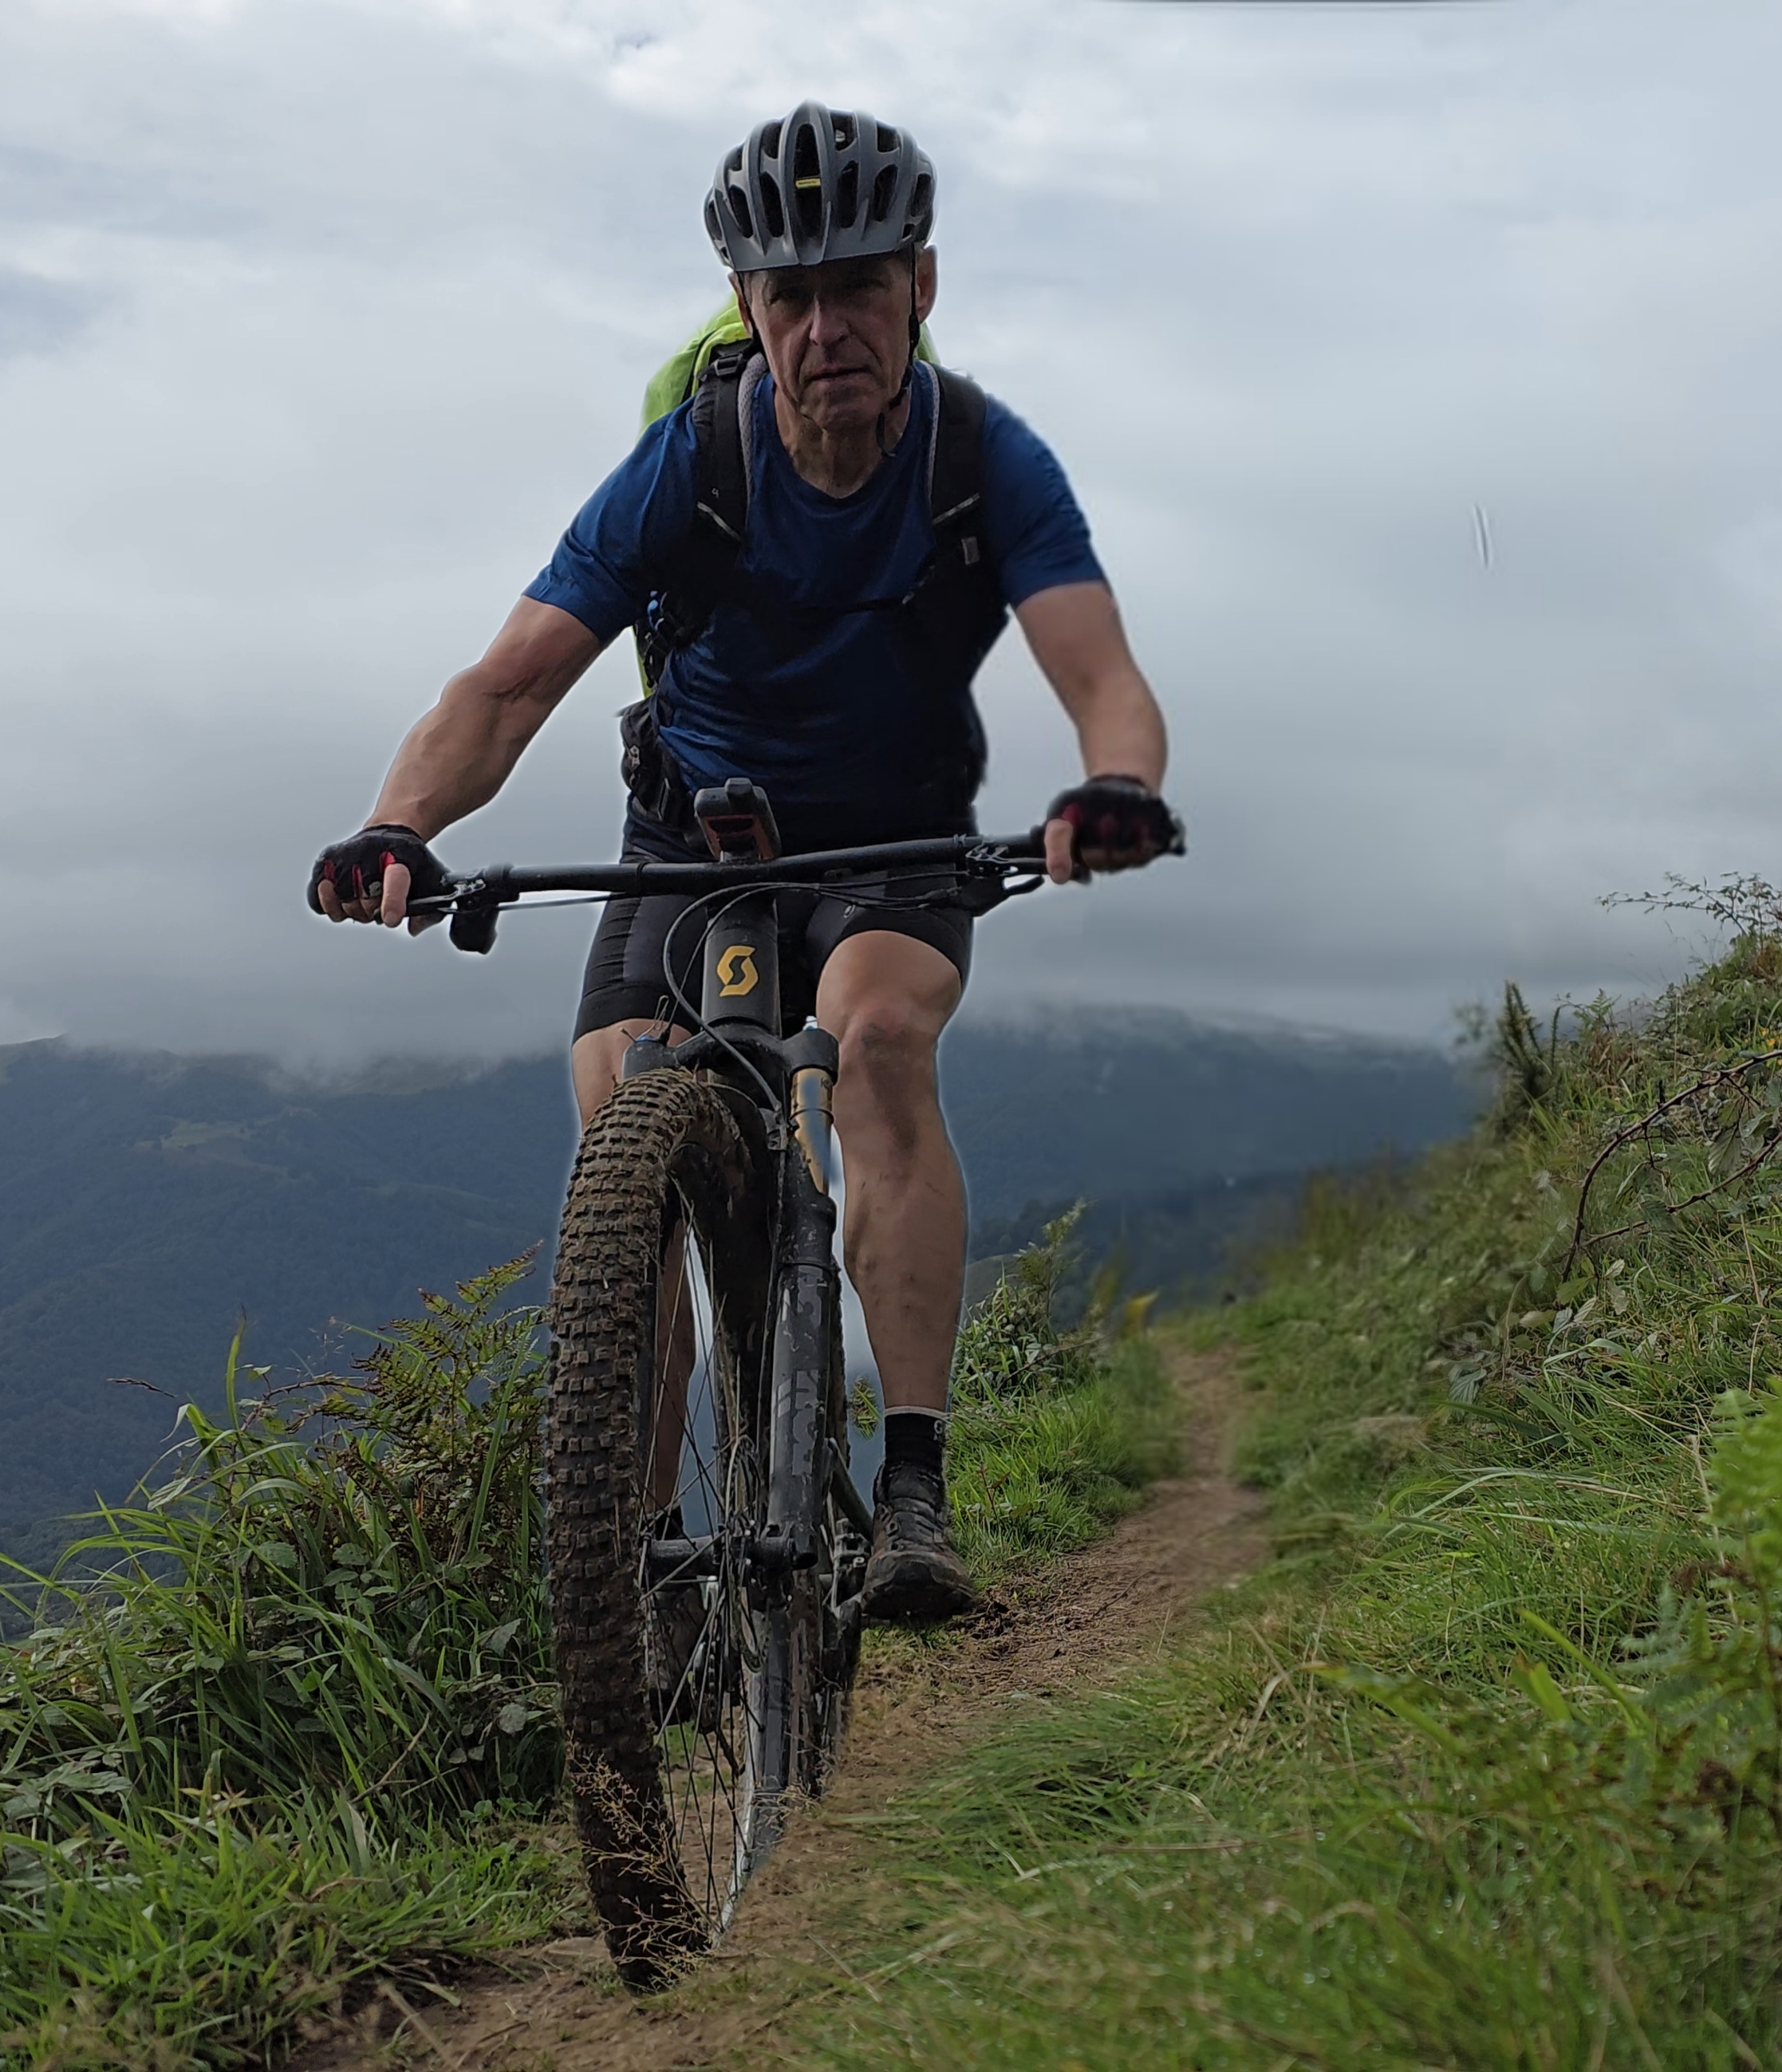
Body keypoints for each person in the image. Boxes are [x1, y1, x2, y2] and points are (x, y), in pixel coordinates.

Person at [306, 103, 1181, 1625]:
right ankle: (638, 1566)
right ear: (747, 307)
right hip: (689, 836)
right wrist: (399, 824)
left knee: (881, 1038)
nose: (826, 328)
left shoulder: (979, 460)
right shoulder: (690, 461)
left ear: (920, 285)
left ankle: (912, 1486)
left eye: (860, 287)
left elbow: (1102, 672)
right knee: (624, 1124)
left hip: (892, 834)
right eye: (792, 296)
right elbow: (507, 686)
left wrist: (1117, 786)